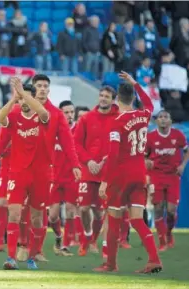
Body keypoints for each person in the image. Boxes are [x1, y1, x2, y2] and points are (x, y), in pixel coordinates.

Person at [95, 71, 162, 273]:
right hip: (139, 173)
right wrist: (136, 83)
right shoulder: (143, 115)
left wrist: (105, 181)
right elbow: (150, 104)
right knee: (136, 219)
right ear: (133, 98)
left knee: (114, 218)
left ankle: (111, 264)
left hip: (121, 175)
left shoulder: (117, 122)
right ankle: (154, 259)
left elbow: (113, 155)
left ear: (116, 100)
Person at [0, 77, 51, 270]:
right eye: (21, 100)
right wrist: (14, 98)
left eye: (27, 99)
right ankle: (10, 258)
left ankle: (31, 257)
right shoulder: (15, 116)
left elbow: (43, 111)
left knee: (36, 218)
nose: (23, 103)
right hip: (18, 173)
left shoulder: (41, 116)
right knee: (14, 214)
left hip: (39, 175)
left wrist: (26, 94)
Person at [31, 74, 81, 261]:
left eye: (45, 86)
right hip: (24, 168)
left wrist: (76, 165)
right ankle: (22, 245)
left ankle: (39, 250)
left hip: (45, 170)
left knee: (47, 214)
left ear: (49, 89)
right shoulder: (24, 109)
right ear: (33, 88)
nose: (43, 89)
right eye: (39, 85)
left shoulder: (56, 114)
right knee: (24, 211)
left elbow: (68, 143)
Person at [73, 86, 118, 256]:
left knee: (100, 212)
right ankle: (87, 236)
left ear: (113, 99)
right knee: (83, 208)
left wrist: (107, 159)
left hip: (107, 172)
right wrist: (89, 160)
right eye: (101, 95)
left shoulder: (118, 119)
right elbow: (76, 143)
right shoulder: (87, 118)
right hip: (88, 169)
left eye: (107, 96)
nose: (103, 98)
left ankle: (93, 242)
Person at [146, 110, 189, 251]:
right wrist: (147, 162)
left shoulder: (178, 135)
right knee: (158, 208)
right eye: (160, 117)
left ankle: (169, 233)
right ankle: (162, 241)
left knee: (171, 210)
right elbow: (144, 156)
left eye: (166, 117)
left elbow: (187, 150)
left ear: (170, 121)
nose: (163, 119)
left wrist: (182, 165)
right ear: (156, 121)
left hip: (173, 176)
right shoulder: (151, 137)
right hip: (156, 176)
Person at [48, 100, 77, 257]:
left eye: (72, 112)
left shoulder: (79, 130)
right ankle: (59, 236)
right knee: (52, 216)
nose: (70, 115)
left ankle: (66, 245)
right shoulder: (53, 130)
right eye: (66, 112)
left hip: (72, 177)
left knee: (71, 211)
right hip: (54, 177)